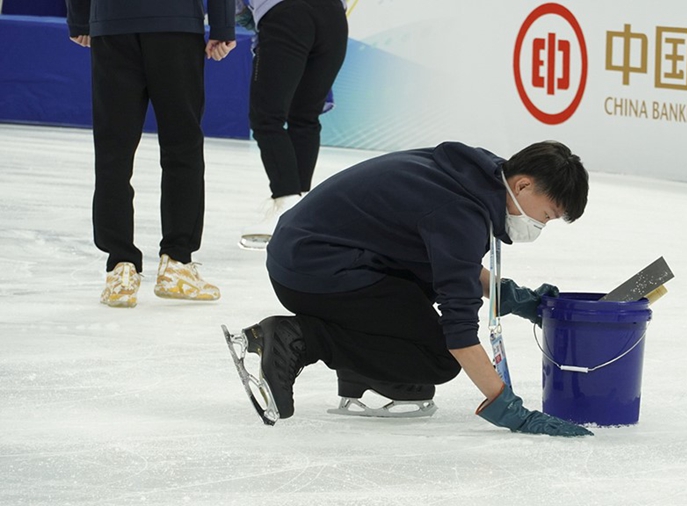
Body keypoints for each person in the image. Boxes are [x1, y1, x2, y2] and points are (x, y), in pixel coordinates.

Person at [227, 140, 594, 436]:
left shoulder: (478, 176)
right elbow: (460, 333)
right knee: (437, 357)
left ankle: (361, 367)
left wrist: (512, 297)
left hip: (312, 252)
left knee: (421, 308)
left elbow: (454, 264)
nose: (540, 226)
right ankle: (300, 337)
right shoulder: (461, 211)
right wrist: (508, 408)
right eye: (545, 215)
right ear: (523, 185)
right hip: (314, 271)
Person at [66, 0, 236, 308]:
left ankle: (121, 268)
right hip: (175, 24)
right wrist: (223, 26)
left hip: (113, 23)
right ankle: (177, 263)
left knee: (113, 151)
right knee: (182, 146)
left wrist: (80, 18)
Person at [235, 0, 349, 249]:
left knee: (267, 117)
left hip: (288, 12)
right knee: (305, 116)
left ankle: (286, 201)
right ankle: (301, 207)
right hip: (332, 16)